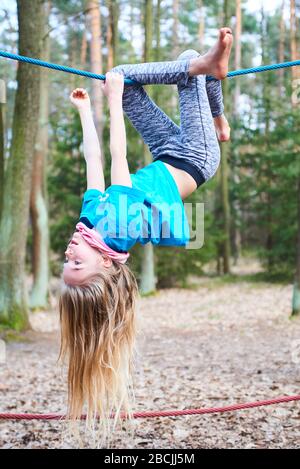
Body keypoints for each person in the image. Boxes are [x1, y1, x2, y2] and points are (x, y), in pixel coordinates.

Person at [59, 28, 233, 437]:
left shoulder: (89, 229)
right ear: (104, 263)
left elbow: (94, 163)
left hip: (168, 152)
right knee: (188, 65)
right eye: (76, 263)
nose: (69, 252)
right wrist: (113, 105)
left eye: (65, 261)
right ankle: (213, 85)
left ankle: (219, 117)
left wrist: (85, 113)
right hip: (196, 157)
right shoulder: (116, 229)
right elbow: (118, 157)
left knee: (124, 75)